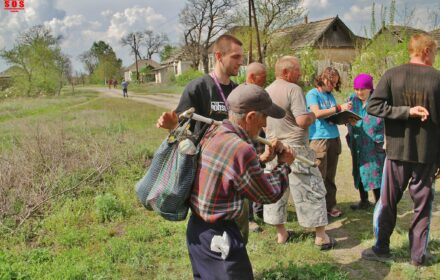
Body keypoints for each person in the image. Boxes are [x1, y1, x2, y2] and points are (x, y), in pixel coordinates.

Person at [187, 83, 295, 279]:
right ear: (251, 116)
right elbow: (267, 193)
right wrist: (284, 165)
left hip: (197, 232)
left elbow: (230, 176)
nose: (265, 125)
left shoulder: (214, 131)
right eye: (264, 118)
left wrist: (261, 160)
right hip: (220, 237)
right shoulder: (241, 149)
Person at [361, 33, 440, 267]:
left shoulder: (392, 74)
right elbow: (374, 106)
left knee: (388, 201)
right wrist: (408, 111)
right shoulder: (437, 79)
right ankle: (417, 256)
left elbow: (373, 105)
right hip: (426, 154)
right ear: (426, 51)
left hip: (396, 153)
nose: (435, 56)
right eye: (434, 51)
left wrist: (401, 111)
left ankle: (381, 248)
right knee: (422, 205)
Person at [263, 56, 336, 249]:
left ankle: (281, 234)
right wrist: (312, 115)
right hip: (295, 149)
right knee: (311, 188)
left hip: (272, 147)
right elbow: (302, 121)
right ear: (286, 72)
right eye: (297, 70)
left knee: (276, 190)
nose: (300, 73)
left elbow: (263, 122)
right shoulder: (293, 89)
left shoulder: (266, 91)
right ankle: (321, 237)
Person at [305, 67, 352, 218]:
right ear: (323, 78)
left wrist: (344, 116)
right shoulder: (312, 94)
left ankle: (330, 206)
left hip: (333, 138)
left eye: (335, 83)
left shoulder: (330, 95)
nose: (332, 85)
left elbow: (332, 114)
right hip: (319, 140)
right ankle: (316, 211)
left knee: (330, 177)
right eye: (331, 82)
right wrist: (338, 108)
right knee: (318, 176)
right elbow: (317, 113)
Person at [346, 74, 385, 210]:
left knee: (375, 173)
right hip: (356, 142)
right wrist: (347, 119)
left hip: (373, 143)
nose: (359, 92)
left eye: (362, 89)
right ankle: (364, 201)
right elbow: (345, 115)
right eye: (356, 89)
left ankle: (380, 204)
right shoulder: (352, 99)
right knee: (359, 170)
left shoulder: (378, 101)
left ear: (370, 88)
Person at [245, 62, 267, 231]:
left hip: (259, 138)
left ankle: (259, 211)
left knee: (260, 172)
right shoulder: (242, 94)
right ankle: (249, 218)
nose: (265, 81)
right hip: (246, 140)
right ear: (252, 77)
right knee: (248, 177)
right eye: (263, 78)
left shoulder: (261, 94)